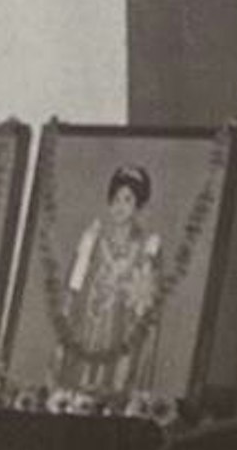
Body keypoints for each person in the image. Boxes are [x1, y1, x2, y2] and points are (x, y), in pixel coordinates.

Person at [52, 164, 162, 393]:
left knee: (113, 384)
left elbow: (146, 303)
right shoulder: (93, 239)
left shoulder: (146, 248)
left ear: (138, 206)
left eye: (128, 200)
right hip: (88, 327)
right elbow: (73, 287)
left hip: (120, 332)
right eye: (116, 199)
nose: (120, 206)